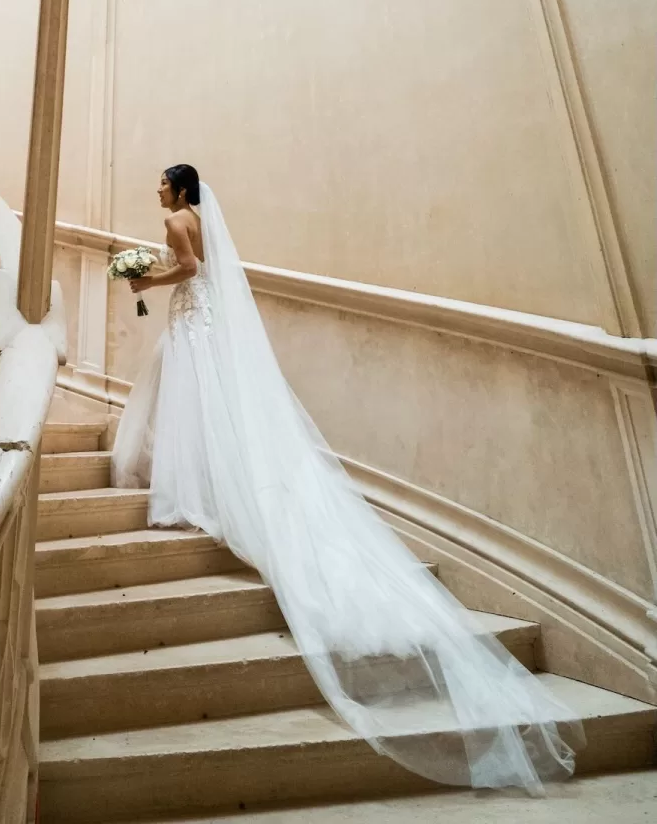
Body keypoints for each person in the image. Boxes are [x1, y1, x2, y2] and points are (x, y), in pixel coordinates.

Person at [111, 164, 580, 794]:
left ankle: (198, 489)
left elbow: (191, 271)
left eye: (163, 183)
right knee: (206, 405)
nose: (157, 192)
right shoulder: (199, 218)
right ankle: (207, 482)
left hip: (194, 314)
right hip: (207, 319)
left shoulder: (175, 222)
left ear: (181, 189)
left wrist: (145, 275)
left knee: (196, 403)